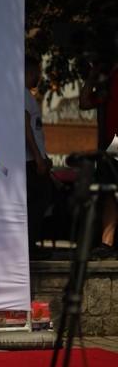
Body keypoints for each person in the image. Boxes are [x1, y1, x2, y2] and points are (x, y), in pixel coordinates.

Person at [79, 58, 118, 260]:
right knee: (108, 191)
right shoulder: (108, 80)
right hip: (111, 146)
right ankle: (106, 244)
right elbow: (84, 103)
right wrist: (91, 78)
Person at [25, 55, 54, 260]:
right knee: (39, 199)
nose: (40, 76)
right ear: (32, 71)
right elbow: (24, 125)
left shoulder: (27, 94)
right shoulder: (23, 94)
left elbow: (34, 131)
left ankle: (29, 245)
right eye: (39, 72)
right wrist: (37, 157)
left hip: (35, 160)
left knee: (42, 198)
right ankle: (28, 246)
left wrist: (44, 156)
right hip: (30, 162)